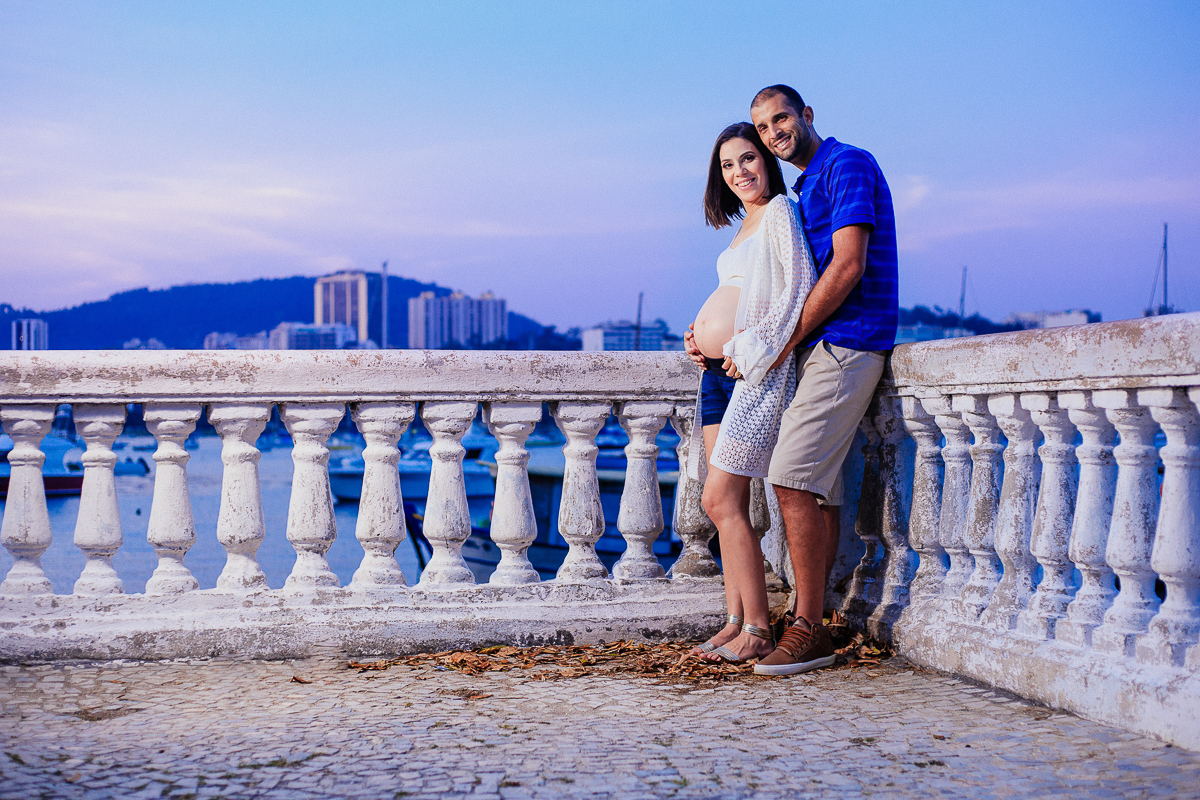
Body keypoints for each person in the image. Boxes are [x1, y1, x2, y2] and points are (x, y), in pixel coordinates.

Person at [746, 84, 898, 676]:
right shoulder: (809, 182)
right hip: (822, 345)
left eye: (781, 118)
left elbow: (850, 265)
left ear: (806, 115)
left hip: (850, 342)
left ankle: (808, 625)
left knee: (789, 475)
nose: (773, 133)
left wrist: (786, 337)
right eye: (762, 127)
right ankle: (821, 622)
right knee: (818, 487)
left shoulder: (846, 163)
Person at [682, 122, 817, 663]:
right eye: (727, 166)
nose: (739, 172)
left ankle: (758, 628)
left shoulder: (781, 212)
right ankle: (736, 618)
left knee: (718, 498)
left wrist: (754, 347)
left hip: (752, 375)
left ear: (767, 160)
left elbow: (797, 290)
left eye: (747, 159)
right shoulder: (743, 226)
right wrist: (700, 338)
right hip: (714, 374)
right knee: (724, 504)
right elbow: (734, 293)